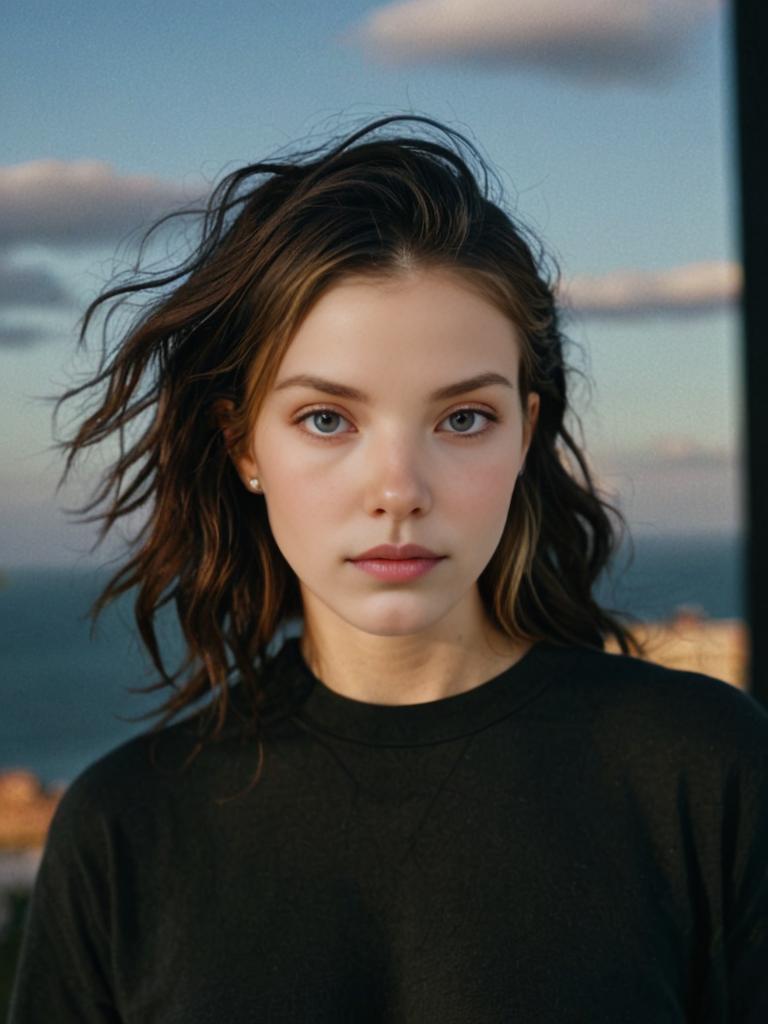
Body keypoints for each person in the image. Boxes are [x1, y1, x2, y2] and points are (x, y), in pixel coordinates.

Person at [9, 114, 768, 1023]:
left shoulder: (708, 772)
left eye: (462, 419)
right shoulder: (123, 830)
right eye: (327, 418)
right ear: (241, 443)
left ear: (527, 431)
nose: (398, 490)